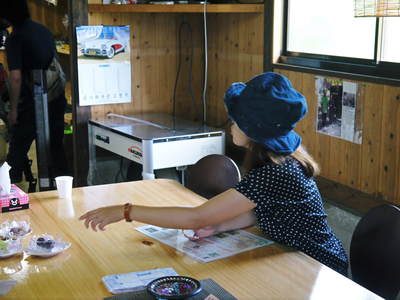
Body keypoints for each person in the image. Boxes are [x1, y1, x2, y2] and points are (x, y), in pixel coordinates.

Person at [79, 72, 349, 276]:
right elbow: (263, 211)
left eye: (235, 120)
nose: (230, 125)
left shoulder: (277, 171)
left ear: (251, 129)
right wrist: (218, 226)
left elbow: (197, 215)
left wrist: (126, 211)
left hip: (316, 264)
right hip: (291, 253)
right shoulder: (277, 161)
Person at [0, 0, 67, 183]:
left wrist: (13, 109)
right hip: (55, 96)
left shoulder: (16, 37)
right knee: (56, 148)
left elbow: (15, 77)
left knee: (17, 150)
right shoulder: (43, 29)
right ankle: (63, 192)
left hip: (32, 101)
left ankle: (8, 195)